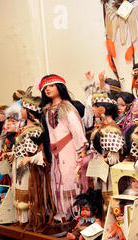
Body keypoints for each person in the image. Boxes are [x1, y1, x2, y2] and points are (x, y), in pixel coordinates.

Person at [39, 74, 89, 229]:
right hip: (55, 153)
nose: (48, 89)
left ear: (60, 87)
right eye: (45, 87)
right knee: (57, 180)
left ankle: (76, 214)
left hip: (69, 149)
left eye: (51, 86)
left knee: (70, 179)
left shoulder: (67, 107)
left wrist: (82, 151)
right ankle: (62, 213)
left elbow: (76, 129)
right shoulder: (47, 110)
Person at [12, 89, 54, 231]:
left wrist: (29, 159)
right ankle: (22, 219)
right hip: (20, 164)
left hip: (29, 168)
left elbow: (38, 152)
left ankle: (32, 219)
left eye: (23, 108)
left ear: (30, 111)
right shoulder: (25, 128)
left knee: (28, 191)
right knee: (20, 189)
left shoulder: (35, 130)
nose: (21, 110)